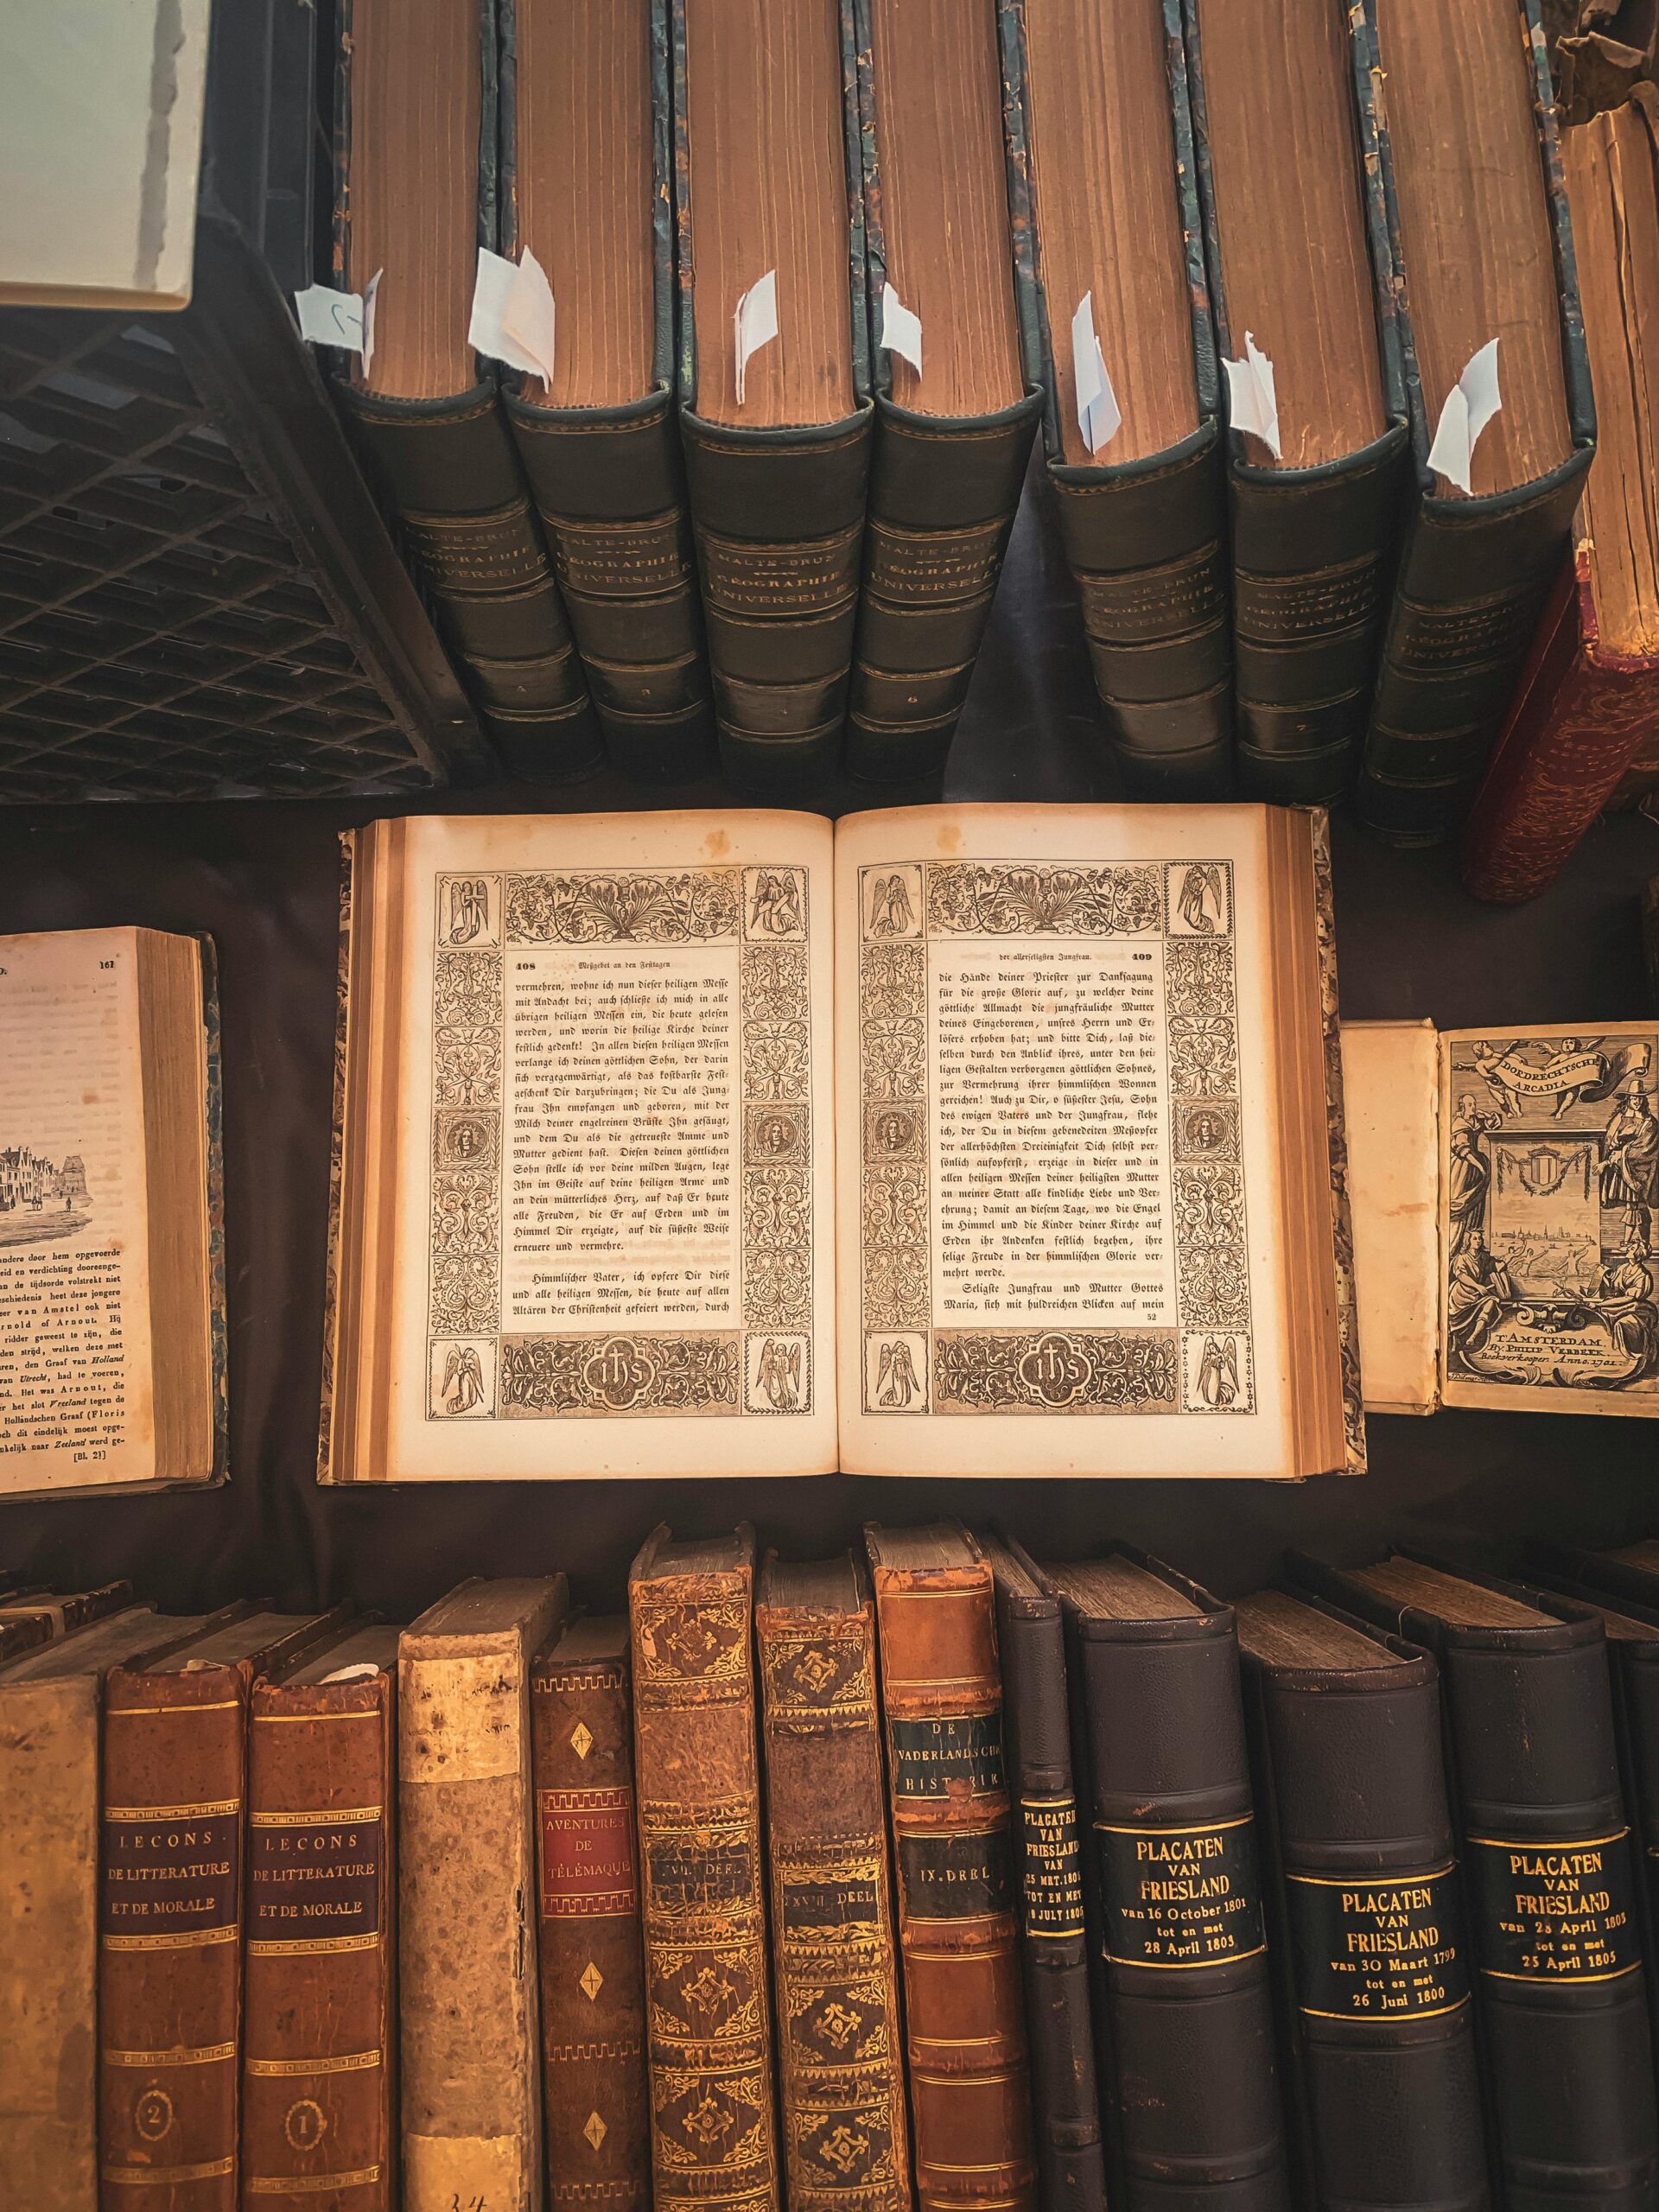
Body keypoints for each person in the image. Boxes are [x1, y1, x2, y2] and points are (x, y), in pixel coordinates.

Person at [1601, 1083, 1659, 1250]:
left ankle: (1641, 1243)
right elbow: (1610, 1140)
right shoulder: (1620, 1117)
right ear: (1628, 1099)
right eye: (1634, 1097)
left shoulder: (1650, 1122)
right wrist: (1615, 1150)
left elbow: (1646, 1148)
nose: (1637, 1101)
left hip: (1640, 1170)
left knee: (1638, 1205)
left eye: (1640, 1098)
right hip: (1623, 1168)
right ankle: (1636, 1242)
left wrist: (1623, 1152)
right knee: (1632, 1205)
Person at [1446, 1239, 1518, 1368]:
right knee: (1455, 1321)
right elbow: (1462, 1276)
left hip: (1478, 1295)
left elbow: (1498, 1266)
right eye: (1474, 1238)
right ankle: (1455, 1339)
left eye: (1480, 1238)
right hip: (1461, 1294)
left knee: (1491, 1302)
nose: (1478, 1241)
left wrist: (1509, 1257)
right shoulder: (1462, 1258)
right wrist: (1477, 1286)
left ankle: (1473, 1336)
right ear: (1467, 1241)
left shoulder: (1484, 1257)